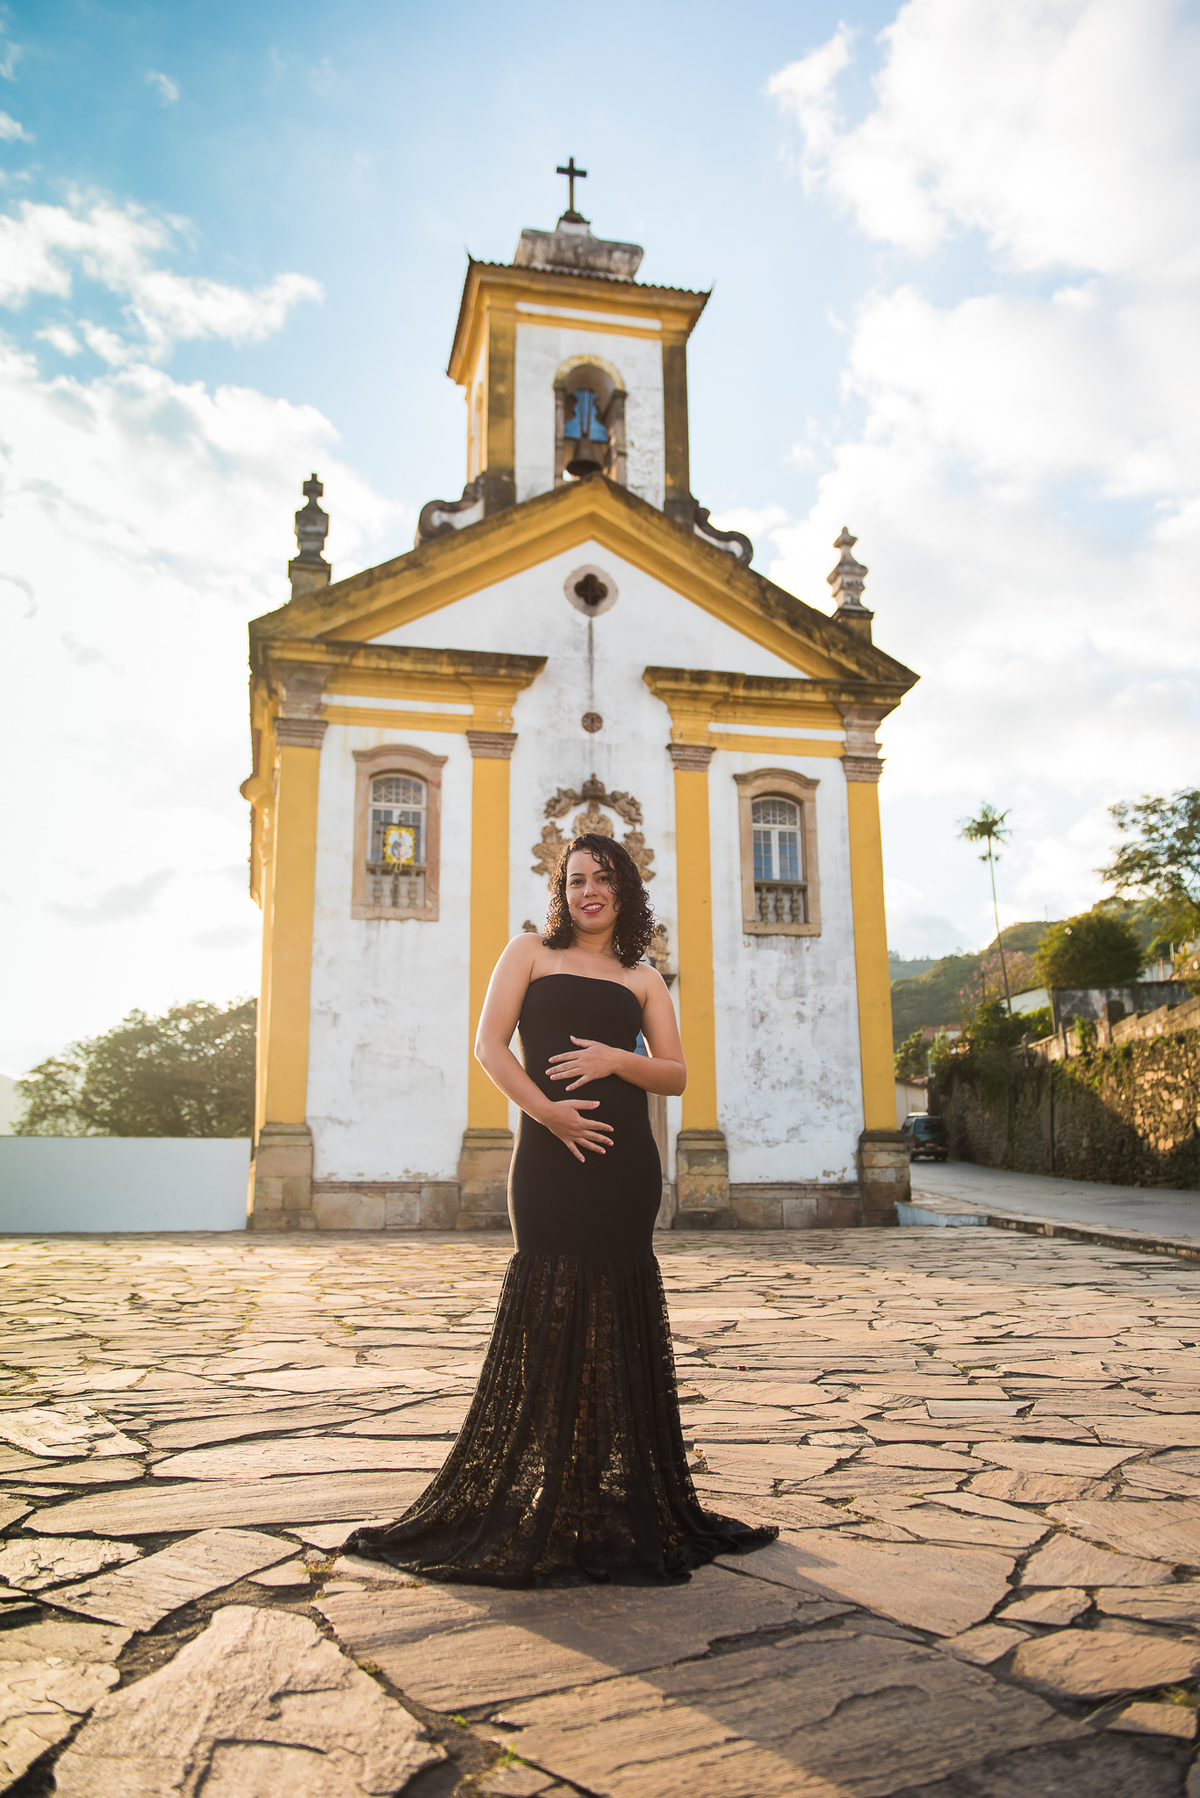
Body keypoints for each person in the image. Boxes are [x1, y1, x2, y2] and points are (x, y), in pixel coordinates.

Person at [347, 832, 776, 1585]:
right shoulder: (528, 954)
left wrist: (616, 1060)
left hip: (624, 1170)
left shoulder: (642, 977)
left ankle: (602, 1490)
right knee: (548, 1314)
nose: (588, 891)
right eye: (576, 879)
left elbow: (674, 1075)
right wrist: (550, 1114)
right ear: (561, 890)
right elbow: (489, 1047)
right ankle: (548, 1487)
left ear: (624, 891)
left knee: (614, 1316)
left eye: (603, 879)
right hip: (548, 1159)